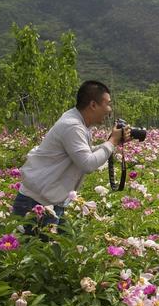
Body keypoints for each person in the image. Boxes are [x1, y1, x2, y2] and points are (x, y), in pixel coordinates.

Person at [12, 80, 131, 231]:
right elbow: (88, 164)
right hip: (36, 203)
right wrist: (112, 142)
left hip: (50, 201)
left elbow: (82, 154)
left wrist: (110, 143)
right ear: (93, 105)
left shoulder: (78, 122)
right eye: (108, 104)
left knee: (57, 251)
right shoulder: (73, 125)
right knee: (37, 252)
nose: (110, 109)